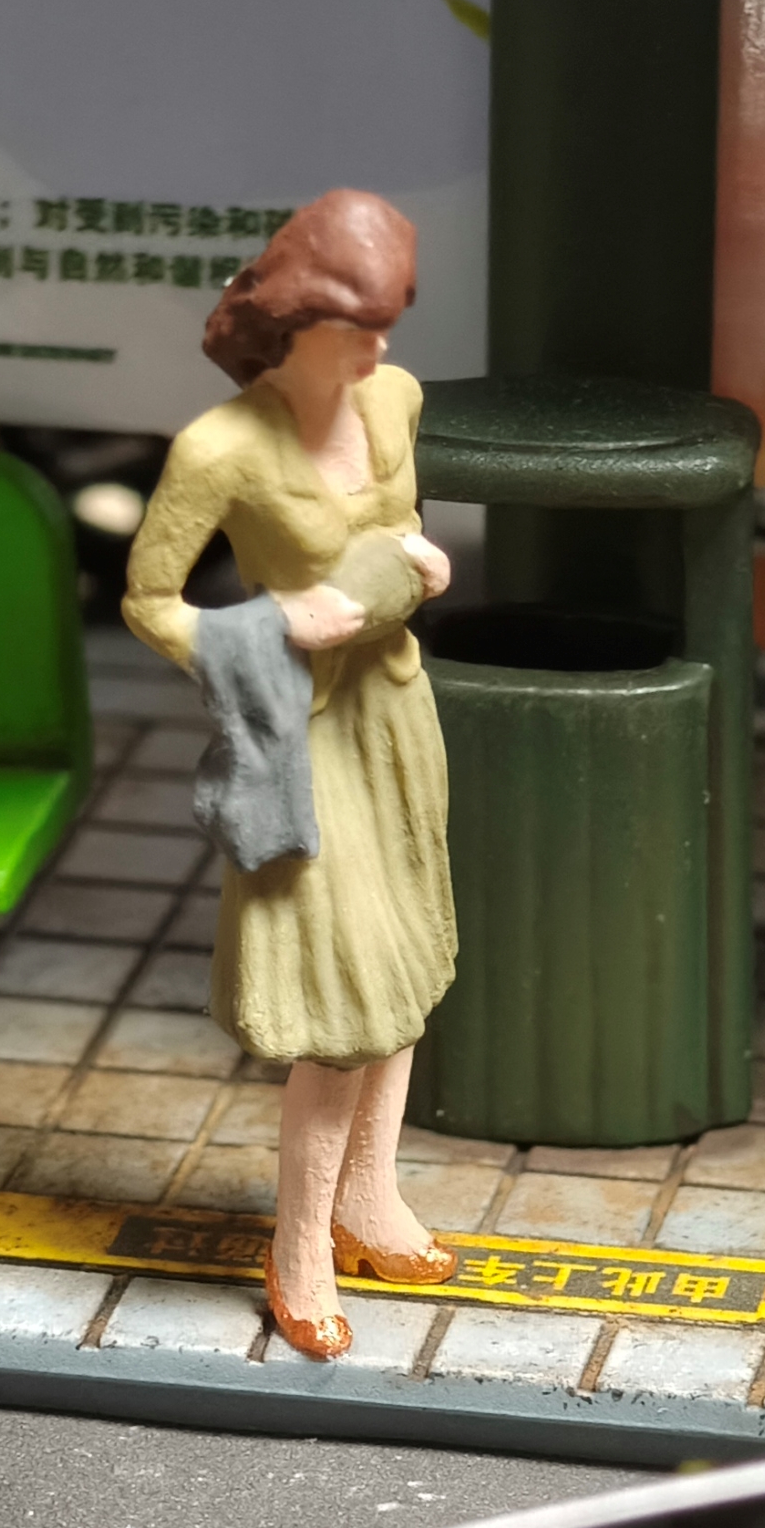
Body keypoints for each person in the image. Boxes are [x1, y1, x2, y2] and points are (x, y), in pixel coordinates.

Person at [121, 191, 459, 1361]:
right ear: (295, 322)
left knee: (403, 965)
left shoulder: (396, 399)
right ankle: (300, 1241)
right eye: (356, 325)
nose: (378, 346)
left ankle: (372, 1195)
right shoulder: (219, 451)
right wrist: (272, 623)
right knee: (340, 997)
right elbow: (149, 602)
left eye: (388, 320)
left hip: (392, 714)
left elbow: (398, 526)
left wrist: (415, 558)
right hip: (299, 734)